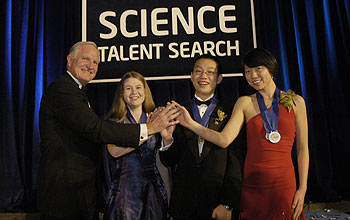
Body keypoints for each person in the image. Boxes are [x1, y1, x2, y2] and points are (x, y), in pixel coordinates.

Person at [37, 41, 179, 220]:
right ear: (69, 60)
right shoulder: (64, 90)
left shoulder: (76, 91)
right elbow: (97, 130)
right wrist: (149, 129)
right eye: (85, 59)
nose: (91, 65)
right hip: (69, 193)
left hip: (143, 194)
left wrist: (165, 135)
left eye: (95, 62)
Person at [175, 48, 309, 220]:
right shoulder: (244, 103)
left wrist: (302, 188)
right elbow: (224, 140)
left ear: (271, 69)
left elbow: (303, 149)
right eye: (248, 71)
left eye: (258, 69)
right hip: (253, 183)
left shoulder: (296, 102)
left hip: (284, 182)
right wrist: (191, 124)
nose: (253, 75)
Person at [159, 54, 246, 220]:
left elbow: (237, 160)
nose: (203, 76)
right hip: (184, 205)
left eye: (210, 72)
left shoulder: (231, 112)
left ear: (219, 78)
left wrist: (228, 203)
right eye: (198, 71)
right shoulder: (177, 111)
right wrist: (167, 139)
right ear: (191, 77)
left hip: (218, 202)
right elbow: (169, 161)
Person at [102, 71, 174, 220]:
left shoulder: (155, 117)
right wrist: (149, 130)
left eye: (138, 87)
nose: (134, 92)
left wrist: (167, 137)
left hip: (152, 192)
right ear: (121, 94)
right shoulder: (114, 122)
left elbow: (165, 159)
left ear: (145, 91)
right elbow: (114, 151)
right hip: (124, 194)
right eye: (128, 88)